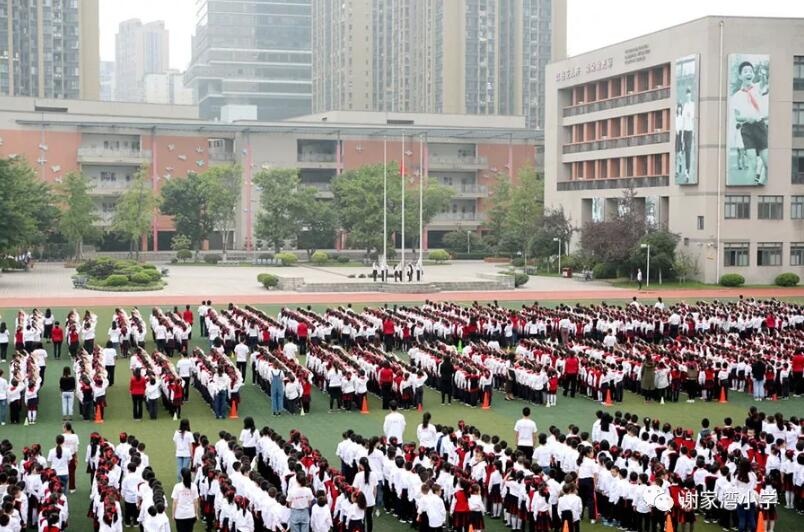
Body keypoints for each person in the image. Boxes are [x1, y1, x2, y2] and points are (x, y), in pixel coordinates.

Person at [731, 60, 769, 184]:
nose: (749, 73)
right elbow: (737, 117)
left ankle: (763, 186)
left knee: (767, 163)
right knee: (752, 163)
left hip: (760, 126)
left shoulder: (758, 87)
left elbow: (764, 82)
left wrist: (763, 74)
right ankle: (749, 189)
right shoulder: (737, 96)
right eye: (745, 71)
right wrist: (747, 118)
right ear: (740, 76)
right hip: (747, 129)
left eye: (751, 71)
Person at [171, 467, 199, 532]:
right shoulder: (194, 486)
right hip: (190, 514)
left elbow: (175, 502)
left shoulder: (177, 486)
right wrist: (196, 513)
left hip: (180, 515)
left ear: (181, 475)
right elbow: (196, 501)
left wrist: (173, 514)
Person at [62, 422, 79, 493]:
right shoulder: (75, 436)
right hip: (72, 454)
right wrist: (76, 457)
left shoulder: (62, 436)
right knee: (72, 471)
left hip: (64, 455)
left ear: (65, 428)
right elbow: (76, 447)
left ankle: (62, 486)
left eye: (63, 427)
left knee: (63, 470)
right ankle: (72, 487)